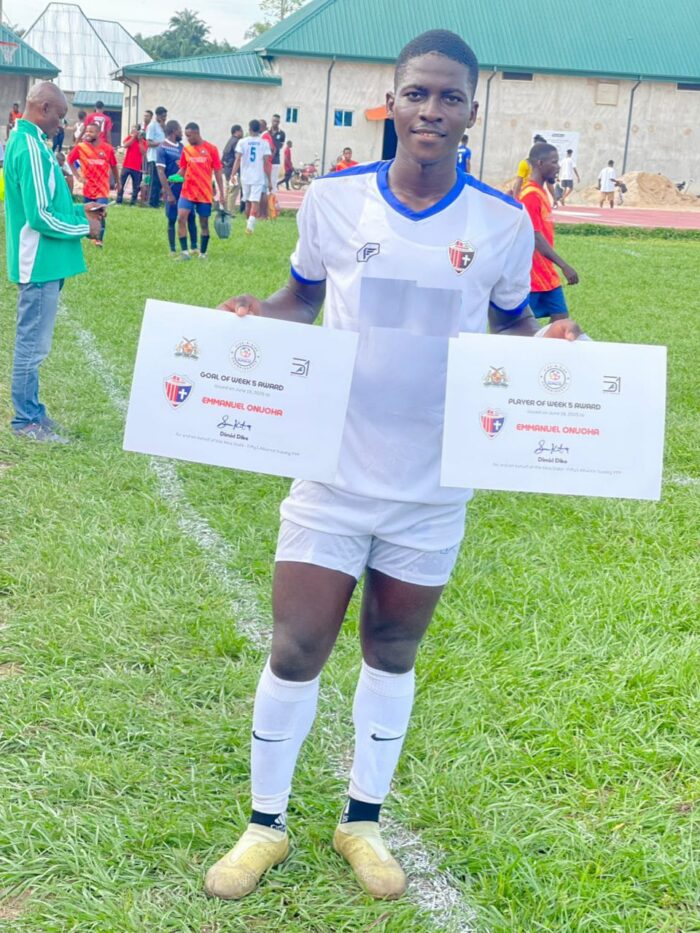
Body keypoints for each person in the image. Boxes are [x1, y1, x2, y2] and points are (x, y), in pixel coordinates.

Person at [204, 29, 581, 903]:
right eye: (417, 93)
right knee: (297, 646)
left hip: (434, 481)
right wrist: (255, 314)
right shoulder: (333, 201)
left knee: (393, 648)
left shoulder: (501, 223)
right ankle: (264, 825)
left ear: (471, 112)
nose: (431, 110)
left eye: (450, 97)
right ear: (394, 101)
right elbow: (300, 297)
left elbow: (514, 328)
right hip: (332, 467)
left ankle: (361, 822)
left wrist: (552, 342)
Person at [4, 82, 103, 443]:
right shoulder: (30, 147)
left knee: (35, 343)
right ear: (43, 108)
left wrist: (79, 211)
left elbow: (50, 202)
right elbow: (40, 216)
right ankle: (25, 420)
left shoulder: (31, 143)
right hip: (38, 262)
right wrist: (84, 226)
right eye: (60, 116)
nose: (62, 124)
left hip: (45, 261)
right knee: (32, 344)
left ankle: (33, 412)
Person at [519, 142, 579, 321]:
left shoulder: (540, 192)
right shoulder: (530, 195)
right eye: (554, 162)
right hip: (531, 276)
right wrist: (564, 265)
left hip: (546, 274)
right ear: (540, 163)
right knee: (522, 327)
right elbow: (535, 237)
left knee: (561, 319)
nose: (558, 167)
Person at [176, 122, 224, 260]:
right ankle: (184, 252)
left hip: (204, 193)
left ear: (196, 133)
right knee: (181, 218)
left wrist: (221, 192)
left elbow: (218, 171)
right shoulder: (187, 150)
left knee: (203, 223)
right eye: (186, 136)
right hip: (187, 191)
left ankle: (203, 253)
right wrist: (174, 177)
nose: (187, 139)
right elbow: (183, 168)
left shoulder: (211, 149)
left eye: (189, 136)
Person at [67, 123, 119, 247]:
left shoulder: (107, 149)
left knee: (100, 212)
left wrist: (118, 181)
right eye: (87, 131)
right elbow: (69, 160)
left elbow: (114, 166)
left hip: (102, 188)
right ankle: (89, 235)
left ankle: (99, 240)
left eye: (91, 131)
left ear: (99, 133)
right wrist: (78, 176)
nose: (87, 134)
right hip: (88, 188)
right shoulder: (81, 147)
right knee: (88, 214)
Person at [155, 120, 198, 256]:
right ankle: (173, 249)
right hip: (172, 190)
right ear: (174, 131)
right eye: (180, 129)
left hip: (186, 190)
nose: (182, 133)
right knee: (172, 219)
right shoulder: (162, 148)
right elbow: (161, 172)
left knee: (191, 217)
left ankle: (194, 247)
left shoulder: (183, 148)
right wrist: (169, 193)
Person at [231, 118, 271, 235]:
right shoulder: (264, 143)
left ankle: (248, 224)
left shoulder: (242, 142)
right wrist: (269, 179)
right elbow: (266, 163)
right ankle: (250, 224)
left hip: (245, 176)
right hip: (257, 176)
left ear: (249, 129)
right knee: (255, 201)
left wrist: (233, 174)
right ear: (260, 130)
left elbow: (238, 159)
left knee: (247, 200)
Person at [511, 133, 548, 200]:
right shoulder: (525, 163)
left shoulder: (544, 165)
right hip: (526, 195)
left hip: (537, 195)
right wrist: (515, 198)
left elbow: (549, 183)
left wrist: (554, 198)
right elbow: (519, 181)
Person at [116, 125, 146, 204]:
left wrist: (140, 141)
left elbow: (143, 152)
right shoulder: (130, 138)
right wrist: (133, 137)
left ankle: (133, 201)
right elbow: (125, 145)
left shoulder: (143, 141)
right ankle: (119, 200)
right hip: (127, 165)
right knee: (121, 183)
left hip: (137, 167)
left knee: (136, 186)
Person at [146, 106, 168, 207]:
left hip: (162, 159)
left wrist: (164, 128)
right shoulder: (152, 126)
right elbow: (148, 143)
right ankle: (151, 202)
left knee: (160, 181)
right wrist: (161, 144)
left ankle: (156, 201)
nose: (164, 118)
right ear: (158, 116)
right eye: (163, 116)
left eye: (165, 116)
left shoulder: (163, 127)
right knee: (154, 181)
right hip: (153, 157)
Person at [222, 123, 244, 212]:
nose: (242, 133)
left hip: (227, 169)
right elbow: (237, 157)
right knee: (233, 191)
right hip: (233, 171)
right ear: (236, 132)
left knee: (228, 190)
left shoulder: (230, 140)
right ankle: (230, 211)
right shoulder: (236, 142)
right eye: (241, 131)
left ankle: (225, 209)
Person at [269, 113, 286, 190]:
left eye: (277, 121)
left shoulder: (282, 133)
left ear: (279, 122)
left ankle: (272, 196)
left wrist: (275, 147)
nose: (275, 123)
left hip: (275, 160)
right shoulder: (267, 132)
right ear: (271, 121)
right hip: (266, 160)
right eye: (274, 121)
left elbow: (281, 146)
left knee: (273, 182)